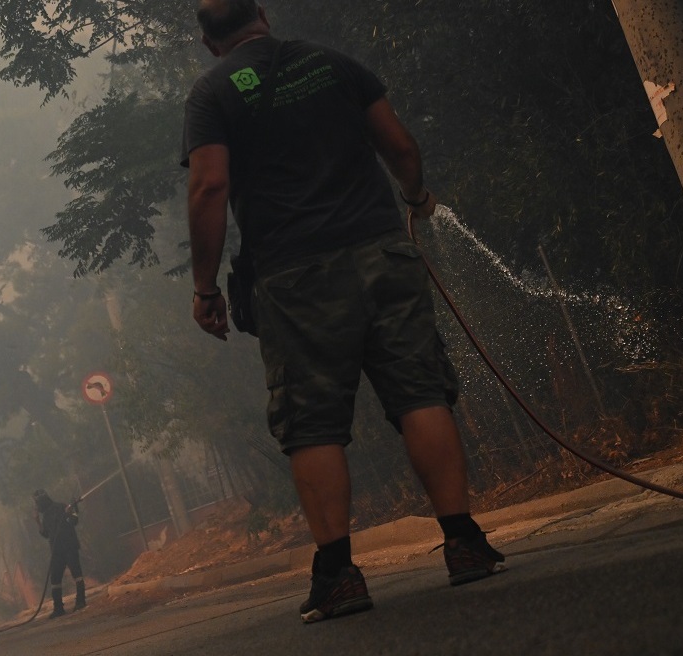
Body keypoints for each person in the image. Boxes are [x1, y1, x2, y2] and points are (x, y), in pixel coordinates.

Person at [183, 0, 505, 624]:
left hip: (295, 276)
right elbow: (399, 145)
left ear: (207, 42)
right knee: (419, 393)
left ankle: (338, 575)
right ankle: (464, 543)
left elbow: (210, 186)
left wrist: (205, 288)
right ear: (264, 18)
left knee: (312, 424)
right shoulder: (332, 64)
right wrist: (414, 198)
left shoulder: (213, 93)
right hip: (382, 252)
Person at [32, 489, 86, 618]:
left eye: (37, 504)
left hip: (69, 548)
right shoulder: (46, 516)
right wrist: (37, 521)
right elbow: (46, 534)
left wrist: (69, 513)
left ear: (41, 502)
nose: (36, 507)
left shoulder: (62, 507)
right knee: (55, 579)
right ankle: (58, 608)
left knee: (77, 575)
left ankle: (81, 601)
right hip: (57, 551)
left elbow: (74, 521)